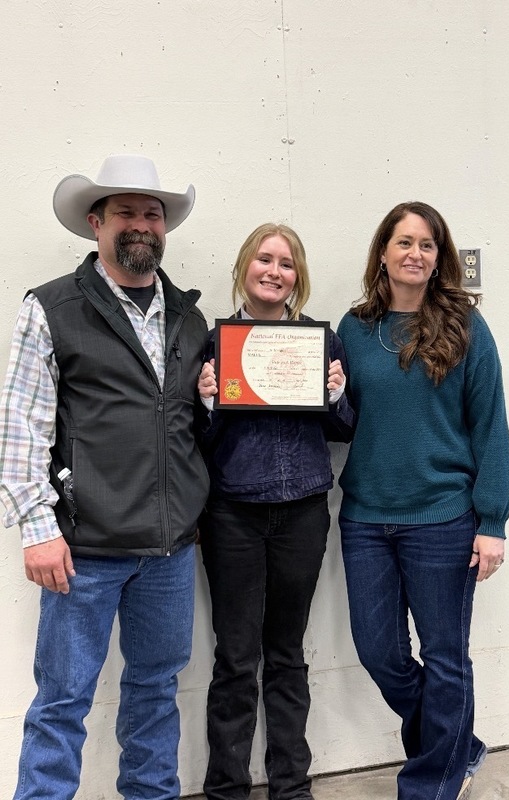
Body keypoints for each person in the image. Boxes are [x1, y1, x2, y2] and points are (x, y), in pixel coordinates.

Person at [0, 154, 210, 800]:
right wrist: (38, 529)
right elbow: (19, 428)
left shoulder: (189, 318)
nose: (142, 224)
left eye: (153, 214)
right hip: (83, 551)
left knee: (154, 693)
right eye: (126, 212)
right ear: (96, 223)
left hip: (169, 552)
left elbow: (184, 424)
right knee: (63, 700)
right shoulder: (51, 309)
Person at [336, 202, 509, 800]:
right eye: (404, 241)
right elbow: (346, 423)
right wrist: (331, 400)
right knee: (379, 651)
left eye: (428, 245)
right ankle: (456, 745)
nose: (416, 253)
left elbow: (490, 425)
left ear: (439, 259)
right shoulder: (354, 328)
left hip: (442, 517)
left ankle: (432, 781)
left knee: (444, 657)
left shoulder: (465, 325)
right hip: (364, 517)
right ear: (382, 252)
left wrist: (492, 520)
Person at [197, 223, 354, 800]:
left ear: (298, 276)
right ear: (244, 266)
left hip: (303, 513)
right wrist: (208, 403)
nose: (274, 271)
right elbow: (197, 440)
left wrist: (336, 393)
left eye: (286, 264)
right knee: (236, 658)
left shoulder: (322, 341)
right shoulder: (214, 344)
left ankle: (291, 787)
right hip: (233, 514)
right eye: (264, 259)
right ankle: (227, 790)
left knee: (287, 654)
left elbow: (344, 429)